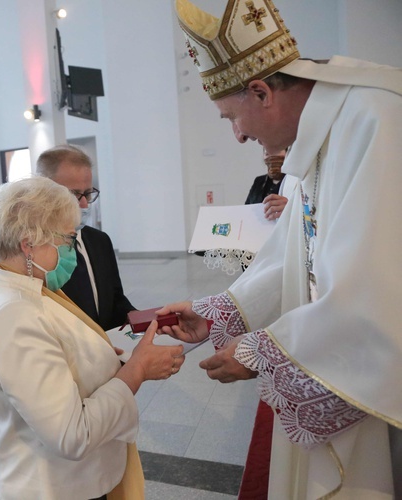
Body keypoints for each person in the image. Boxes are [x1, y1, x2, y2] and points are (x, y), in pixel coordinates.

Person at [165, 1, 402, 498]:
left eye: (233, 117)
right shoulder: (315, 142)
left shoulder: (376, 120)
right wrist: (221, 313)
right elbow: (292, 252)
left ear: (261, 91)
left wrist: (259, 353)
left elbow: (376, 289)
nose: (239, 135)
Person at [0, 176, 184, 499]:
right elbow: (71, 434)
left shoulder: (19, 284)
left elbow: (60, 354)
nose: (73, 253)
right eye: (67, 241)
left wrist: (117, 360)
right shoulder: (12, 315)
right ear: (29, 243)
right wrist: (136, 371)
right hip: (53, 489)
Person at [36, 145, 136, 330]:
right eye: (73, 194)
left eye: (88, 193)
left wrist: (140, 320)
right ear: (43, 191)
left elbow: (115, 301)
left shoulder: (100, 241)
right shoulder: (23, 252)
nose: (83, 204)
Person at [245, 148, 294, 221]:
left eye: (277, 151)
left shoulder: (293, 181)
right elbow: (247, 209)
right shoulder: (259, 181)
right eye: (267, 153)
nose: (271, 156)